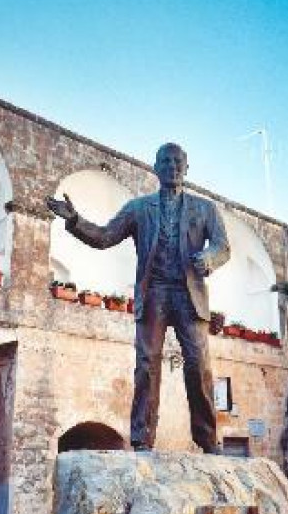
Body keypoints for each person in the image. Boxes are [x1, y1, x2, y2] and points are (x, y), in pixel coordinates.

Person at [47, 143, 230, 453]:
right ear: (155, 168)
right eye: (165, 162)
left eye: (177, 162)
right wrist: (74, 220)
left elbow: (223, 246)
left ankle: (208, 440)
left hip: (190, 295)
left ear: (186, 168)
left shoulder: (205, 208)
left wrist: (209, 258)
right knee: (147, 365)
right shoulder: (139, 208)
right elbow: (105, 237)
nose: (172, 166)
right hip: (154, 290)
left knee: (199, 366)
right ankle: (142, 439)